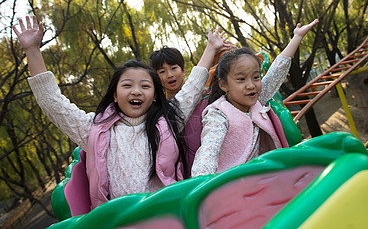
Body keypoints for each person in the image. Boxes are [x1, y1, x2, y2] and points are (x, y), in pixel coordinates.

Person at [12, 15, 227, 213]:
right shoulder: (94, 129)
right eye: (127, 85)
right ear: (115, 95)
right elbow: (54, 104)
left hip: (168, 214)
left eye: (145, 85)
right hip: (120, 219)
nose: (136, 91)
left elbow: (193, 87)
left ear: (154, 95)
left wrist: (211, 47)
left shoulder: (168, 119)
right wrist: (32, 50)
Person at [191, 19, 319, 177]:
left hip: (264, 173)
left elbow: (276, 72)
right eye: (241, 79)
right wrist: (201, 182)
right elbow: (208, 152)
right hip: (233, 183)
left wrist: (297, 37)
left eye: (256, 77)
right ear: (223, 84)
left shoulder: (257, 99)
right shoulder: (219, 114)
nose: (251, 85)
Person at [150, 43, 232, 176]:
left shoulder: (206, 95)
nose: (169, 75)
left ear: (183, 70)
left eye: (173, 68)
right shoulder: (160, 109)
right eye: (162, 72)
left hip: (216, 158)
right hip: (185, 166)